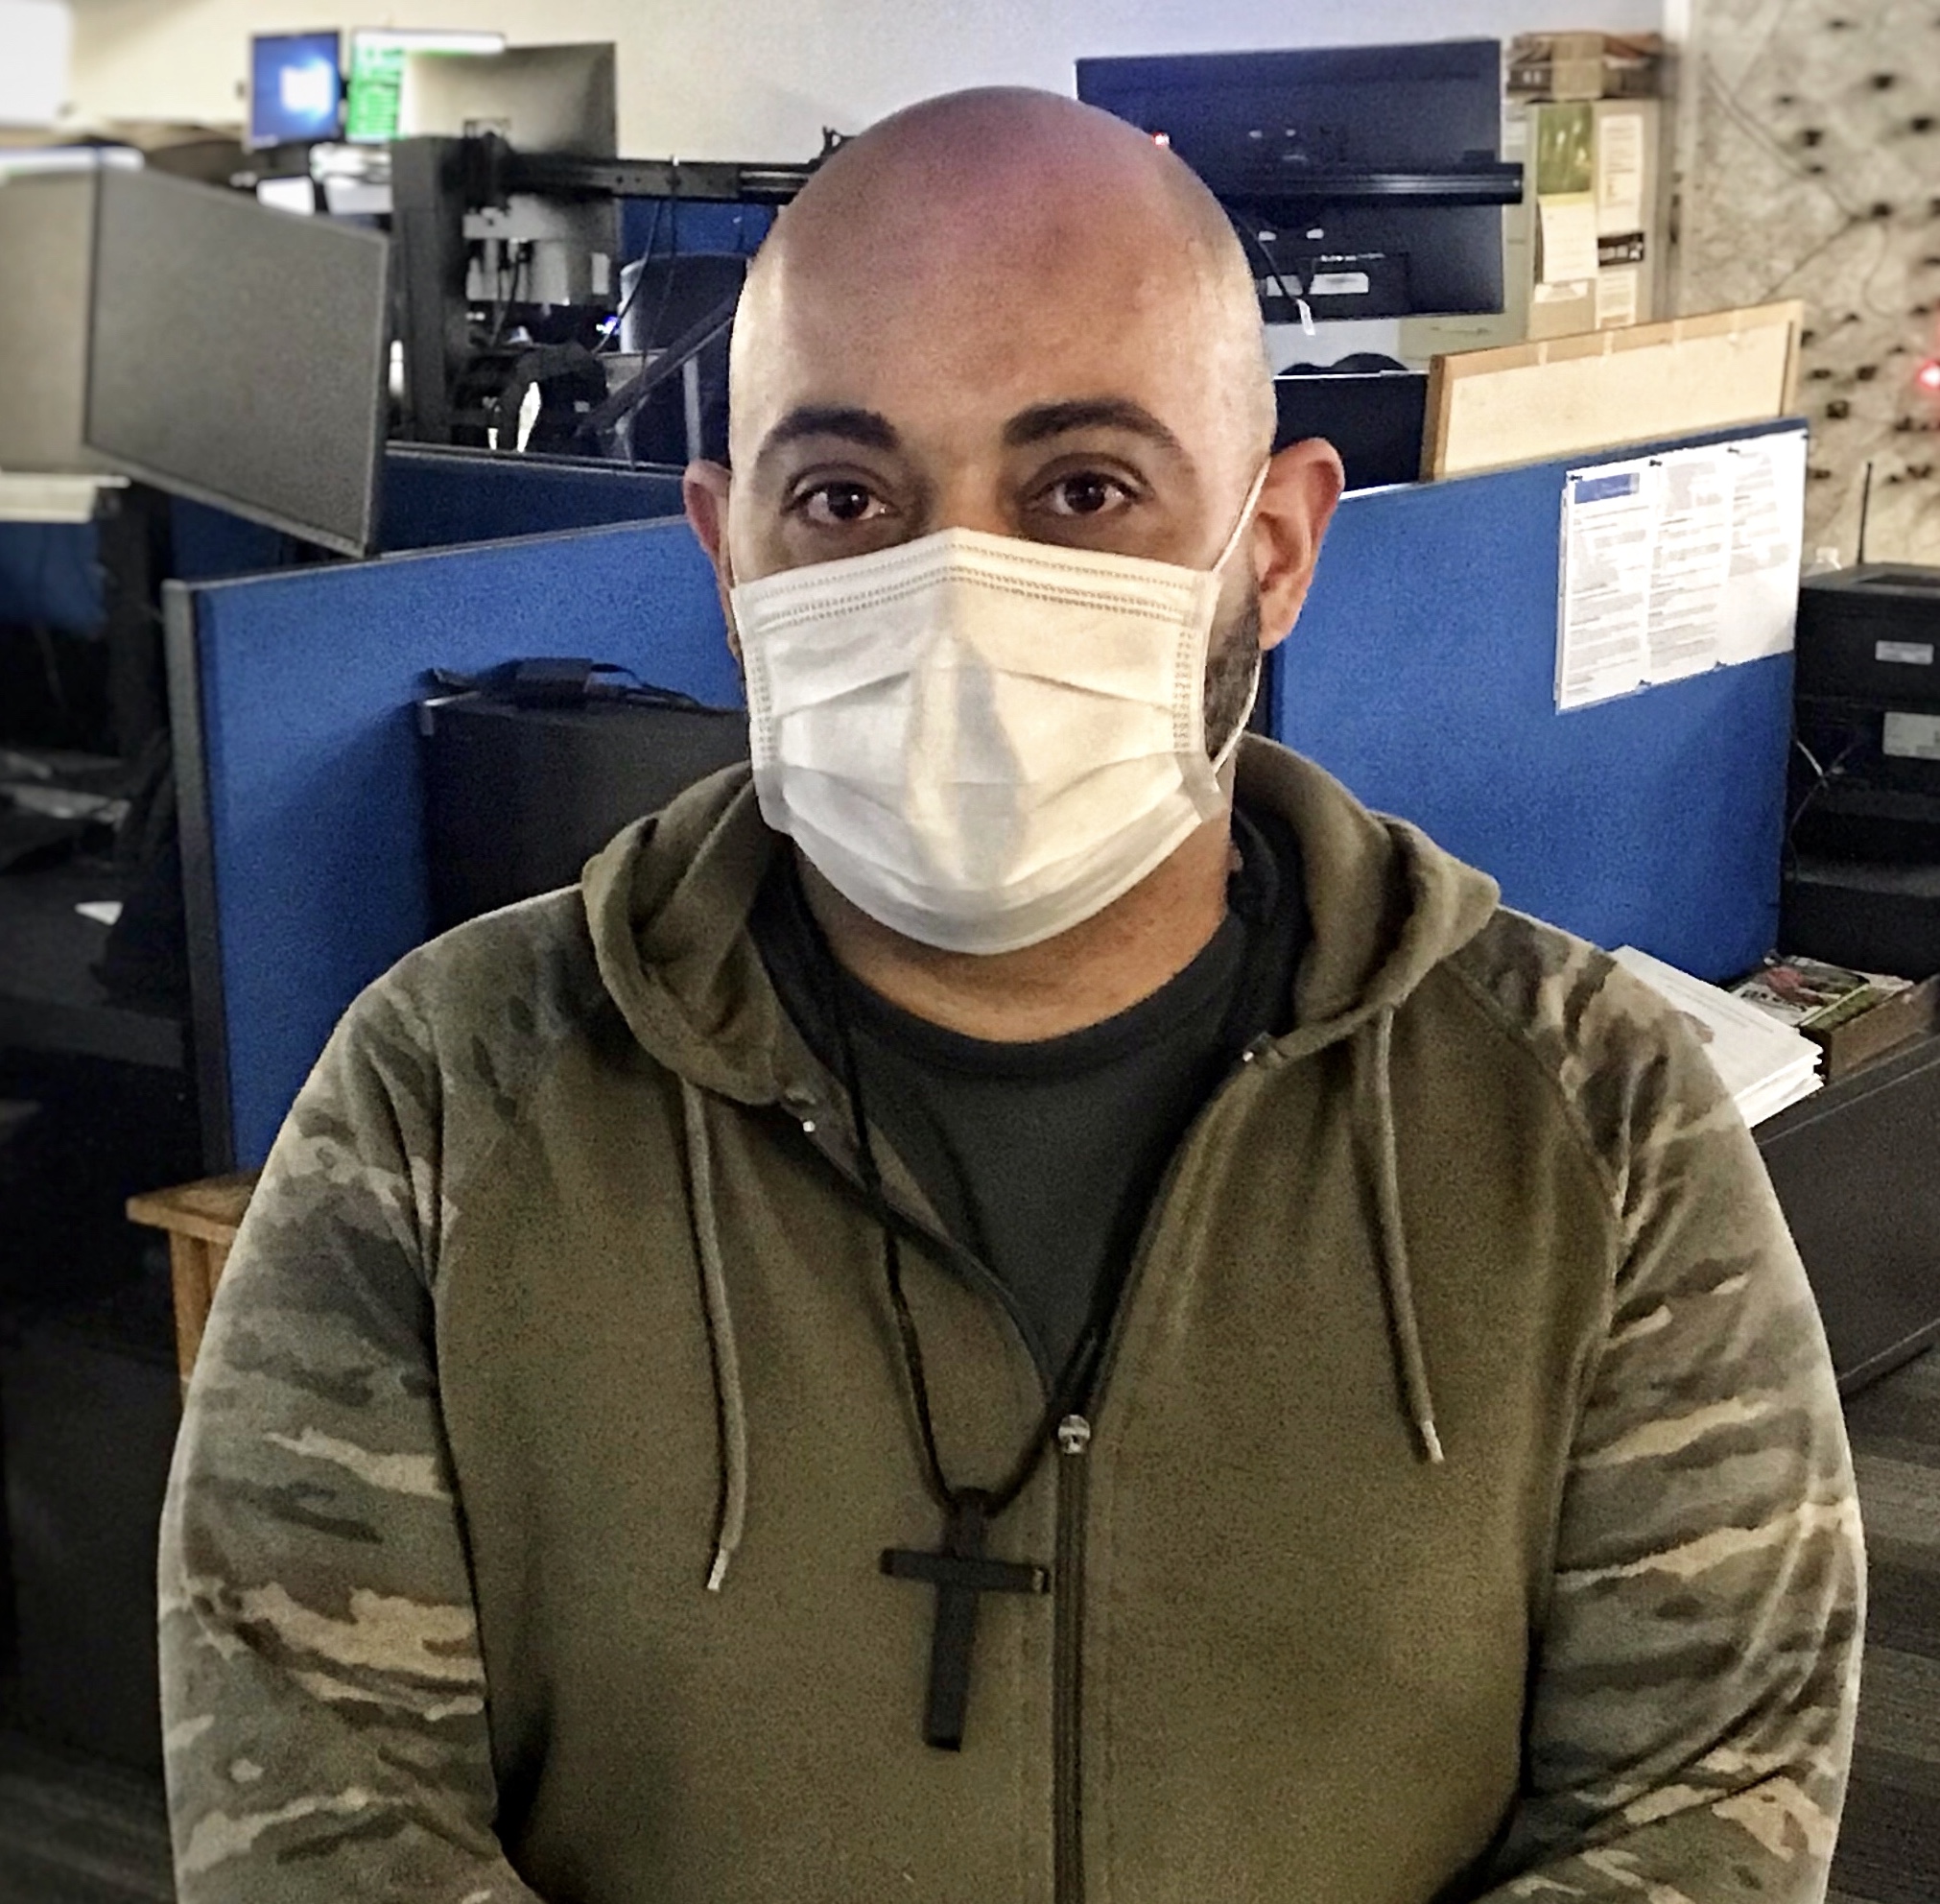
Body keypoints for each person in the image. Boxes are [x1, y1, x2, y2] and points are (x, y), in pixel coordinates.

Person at [159, 88, 1863, 1904]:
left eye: (1083, 488)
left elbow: (1706, 1794)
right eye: (843, 496)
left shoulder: (1587, 1117)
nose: (954, 583)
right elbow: (315, 1822)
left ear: (1273, 551)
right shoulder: (445, 1102)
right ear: (728, 557)